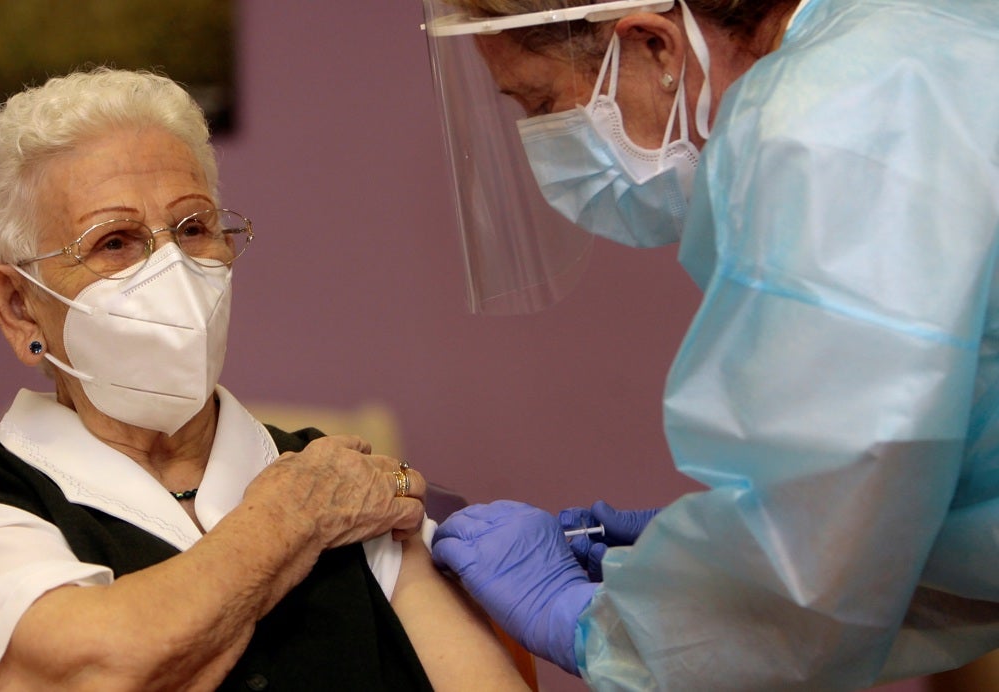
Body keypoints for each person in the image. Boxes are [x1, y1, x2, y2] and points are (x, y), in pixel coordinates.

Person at [418, 0, 999, 689]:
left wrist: (605, 625)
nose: (544, 141)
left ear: (656, 47)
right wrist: (711, 556)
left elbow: (816, 571)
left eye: (543, 102)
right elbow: (896, 502)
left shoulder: (825, 129)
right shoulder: (920, 39)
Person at [0, 67, 529, 691]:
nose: (172, 269)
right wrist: (290, 519)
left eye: (193, 229)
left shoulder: (338, 475)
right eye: (115, 242)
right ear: (19, 306)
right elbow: (98, 669)